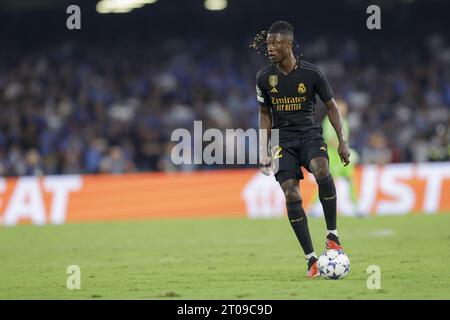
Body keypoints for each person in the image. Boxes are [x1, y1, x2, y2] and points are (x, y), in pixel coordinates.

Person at [252, 21, 350, 278]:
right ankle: (311, 260)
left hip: (309, 135)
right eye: (268, 44)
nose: (270, 48)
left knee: (321, 168)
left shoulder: (313, 73)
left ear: (288, 44)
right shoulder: (264, 78)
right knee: (292, 194)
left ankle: (332, 236)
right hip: (282, 141)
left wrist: (342, 140)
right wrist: (264, 148)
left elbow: (331, 107)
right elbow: (264, 114)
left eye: (275, 43)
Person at [309, 98, 360, 217]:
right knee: (326, 183)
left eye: (345, 107)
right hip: (333, 157)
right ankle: (313, 208)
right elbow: (329, 139)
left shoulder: (345, 121)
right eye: (341, 107)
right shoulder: (329, 120)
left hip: (342, 157)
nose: (344, 109)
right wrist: (344, 148)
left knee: (350, 180)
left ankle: (356, 208)